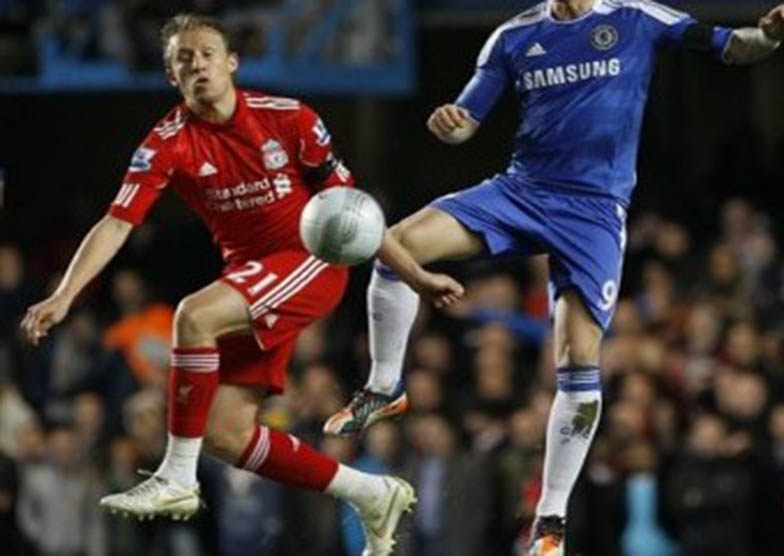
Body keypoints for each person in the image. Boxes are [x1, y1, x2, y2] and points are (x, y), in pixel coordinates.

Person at [323, 1, 784, 554]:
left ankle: (550, 520)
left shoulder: (636, 18)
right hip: (521, 190)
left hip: (593, 211)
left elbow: (732, 46)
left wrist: (768, 34)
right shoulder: (513, 36)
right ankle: (385, 386)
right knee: (395, 244)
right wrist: (451, 127)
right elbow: (465, 121)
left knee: (578, 360)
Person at [20, 13, 460, 555]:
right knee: (226, 434)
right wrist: (64, 295)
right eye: (184, 58)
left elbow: (355, 212)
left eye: (206, 53)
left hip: (310, 261)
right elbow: (117, 222)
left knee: (193, 315)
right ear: (171, 76)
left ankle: (177, 477)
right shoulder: (167, 142)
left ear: (231, 62)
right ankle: (371, 492)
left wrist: (414, 274)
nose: (197, 64)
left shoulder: (289, 118)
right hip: (249, 281)